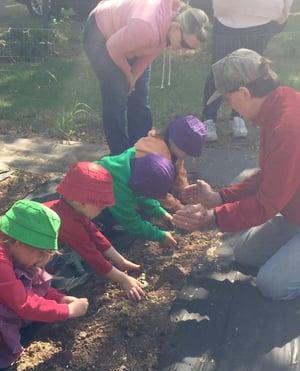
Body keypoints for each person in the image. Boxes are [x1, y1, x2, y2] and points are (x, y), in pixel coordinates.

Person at [173, 48, 300, 301]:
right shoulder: (275, 109)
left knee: (273, 285)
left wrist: (210, 218)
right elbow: (270, 176)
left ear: (245, 92)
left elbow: (267, 204)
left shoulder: (286, 126)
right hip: (294, 211)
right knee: (245, 253)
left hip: (289, 207)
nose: (229, 107)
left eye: (229, 99)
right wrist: (219, 198)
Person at [84, 0, 209, 155]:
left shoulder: (168, 25)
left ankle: (142, 148)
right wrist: (127, 73)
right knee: (117, 95)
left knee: (139, 96)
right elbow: (113, 47)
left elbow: (149, 55)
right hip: (101, 33)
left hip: (129, 36)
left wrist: (134, 76)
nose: (183, 49)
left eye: (189, 48)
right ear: (177, 28)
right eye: (184, 44)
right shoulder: (147, 28)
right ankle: (121, 154)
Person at [0, 200, 89, 368]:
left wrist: (59, 298)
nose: (41, 262)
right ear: (19, 242)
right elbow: (24, 303)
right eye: (40, 255)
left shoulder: (12, 246)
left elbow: (34, 283)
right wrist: (67, 311)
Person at [44, 162, 145, 302]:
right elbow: (92, 255)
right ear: (83, 202)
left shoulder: (73, 209)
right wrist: (124, 280)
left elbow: (95, 234)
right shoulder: (65, 221)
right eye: (101, 205)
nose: (104, 208)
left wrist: (121, 261)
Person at [202, 0, 294, 141]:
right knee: (219, 68)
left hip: (261, 17)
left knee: (251, 71)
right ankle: (209, 117)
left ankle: (238, 116)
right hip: (228, 16)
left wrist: (285, 9)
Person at [96, 150, 177, 248]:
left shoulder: (135, 164)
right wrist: (160, 236)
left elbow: (141, 195)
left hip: (111, 197)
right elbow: (131, 223)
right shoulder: (118, 190)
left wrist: (160, 212)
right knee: (123, 232)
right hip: (89, 208)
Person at [135, 114, 207, 212]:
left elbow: (179, 170)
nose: (187, 156)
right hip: (135, 188)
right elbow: (158, 191)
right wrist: (178, 207)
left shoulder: (172, 148)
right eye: (186, 152)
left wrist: (184, 190)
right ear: (176, 142)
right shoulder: (155, 155)